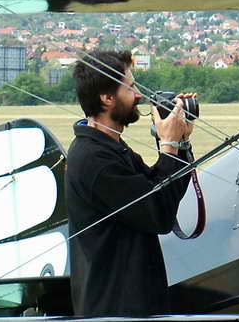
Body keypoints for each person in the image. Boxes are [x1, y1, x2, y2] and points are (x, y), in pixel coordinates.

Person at [64, 50, 195, 316]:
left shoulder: (109, 147)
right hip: (116, 310)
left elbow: (159, 190)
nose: (139, 95)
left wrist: (180, 143)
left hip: (131, 305)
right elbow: (158, 215)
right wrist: (168, 145)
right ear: (107, 98)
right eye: (131, 87)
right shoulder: (94, 160)